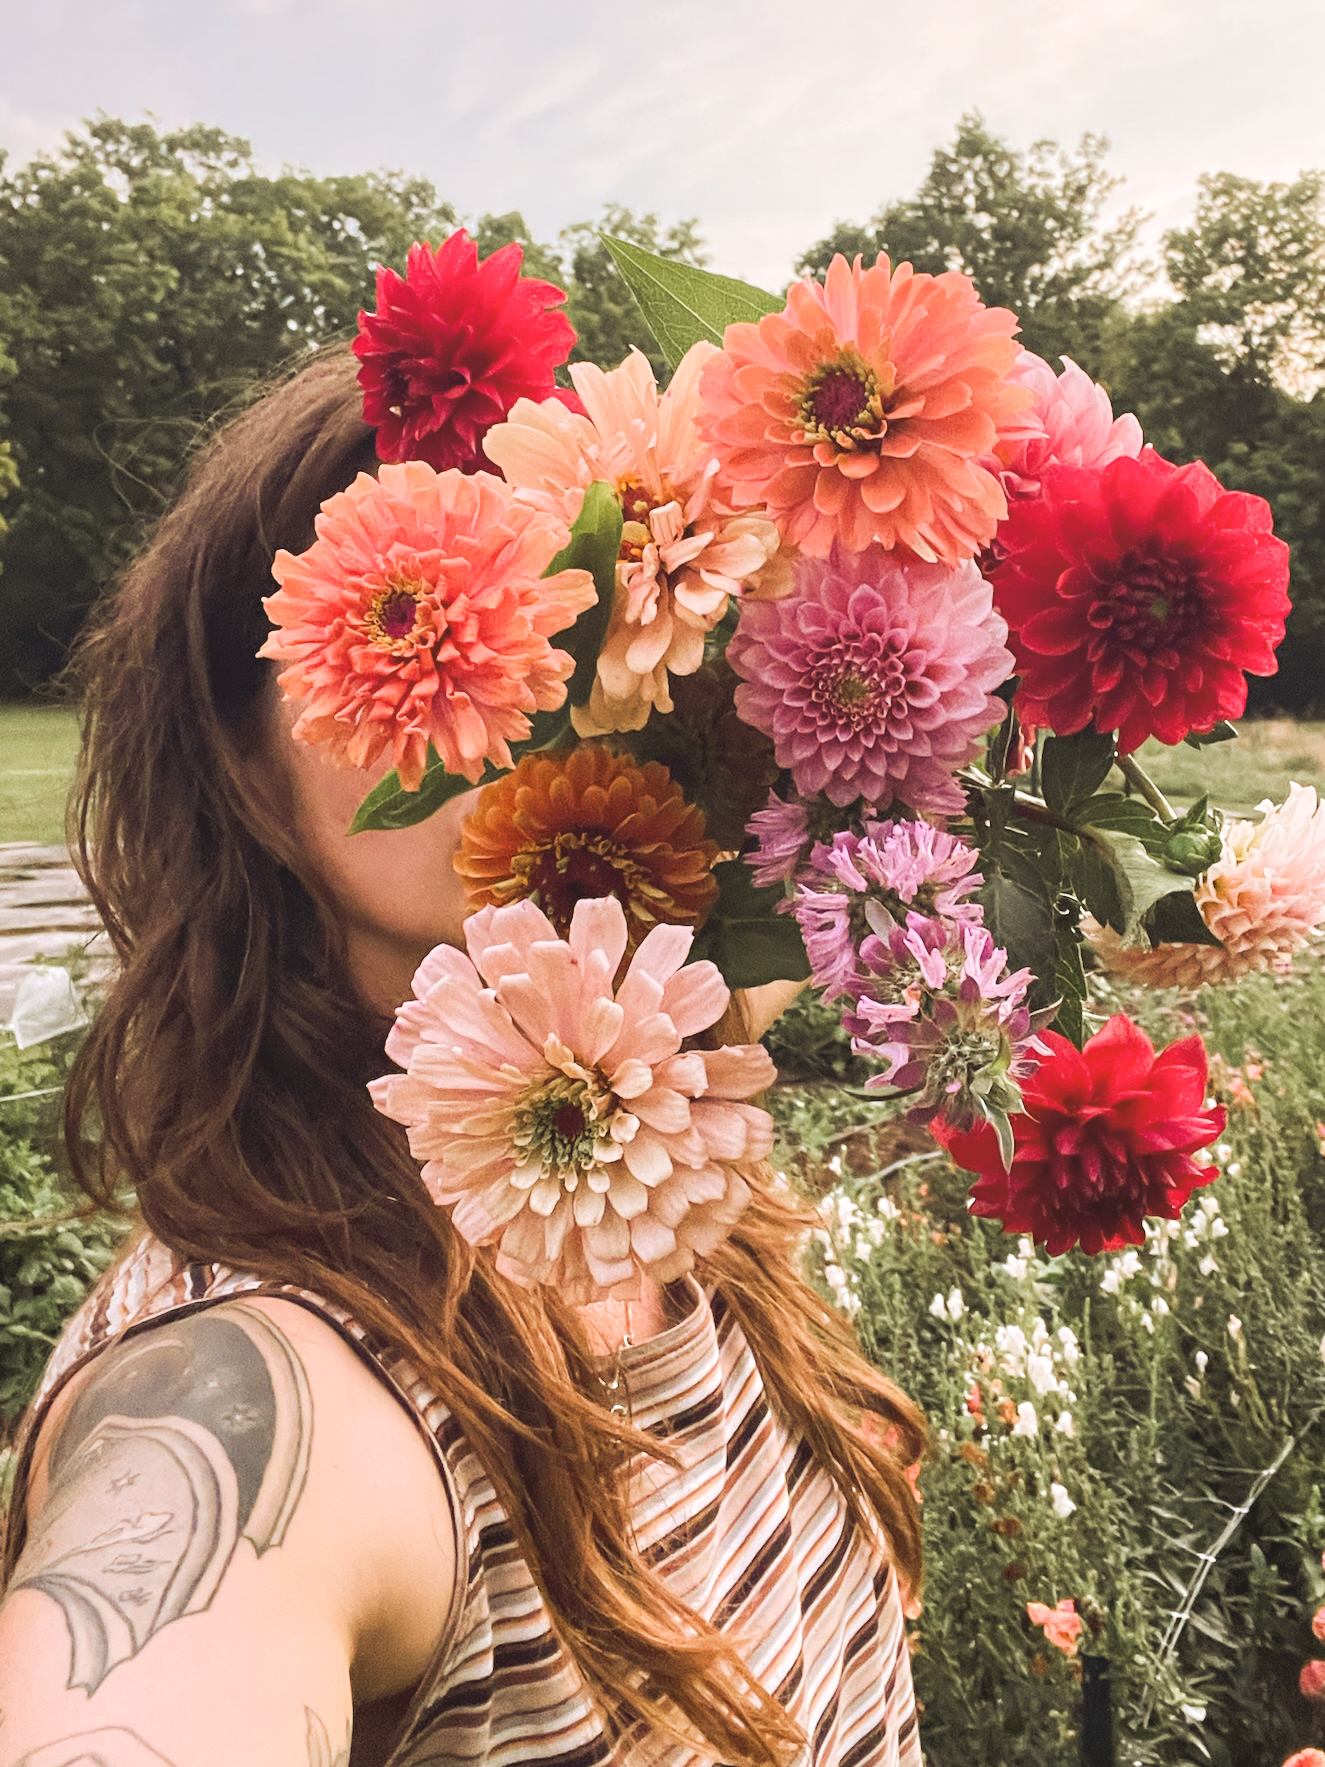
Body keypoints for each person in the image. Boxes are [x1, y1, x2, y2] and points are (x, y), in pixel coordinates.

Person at [0, 343, 926, 1767]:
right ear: (239, 761)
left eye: (584, 606)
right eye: (436, 616)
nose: (544, 689)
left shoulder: (675, 1204)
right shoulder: (265, 1385)